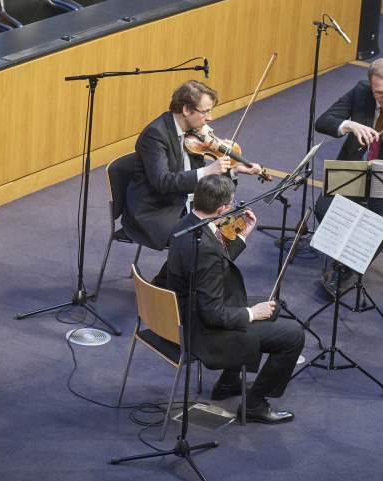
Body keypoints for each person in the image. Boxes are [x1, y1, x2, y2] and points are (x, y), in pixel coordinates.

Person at [167, 175, 305, 424]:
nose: (232, 210)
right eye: (231, 205)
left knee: (272, 307)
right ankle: (254, 404)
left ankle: (227, 383)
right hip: (203, 329)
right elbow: (213, 313)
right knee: (293, 337)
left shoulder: (185, 224)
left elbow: (211, 266)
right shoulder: (205, 248)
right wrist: (252, 314)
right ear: (221, 209)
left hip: (186, 310)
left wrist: (242, 236)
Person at [314, 57, 383, 295]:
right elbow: (322, 121)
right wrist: (350, 125)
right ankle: (348, 259)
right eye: (379, 93)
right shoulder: (360, 93)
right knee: (324, 207)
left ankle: (344, 269)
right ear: (371, 86)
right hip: (355, 173)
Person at [122, 80, 263, 254]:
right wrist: (208, 172)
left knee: (232, 228)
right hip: (157, 210)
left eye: (210, 111)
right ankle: (170, 280)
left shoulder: (195, 134)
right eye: (204, 112)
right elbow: (162, 182)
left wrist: (233, 171)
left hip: (186, 200)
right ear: (186, 110)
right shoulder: (155, 134)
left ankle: (198, 279)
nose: (209, 118)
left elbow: (195, 178)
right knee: (203, 242)